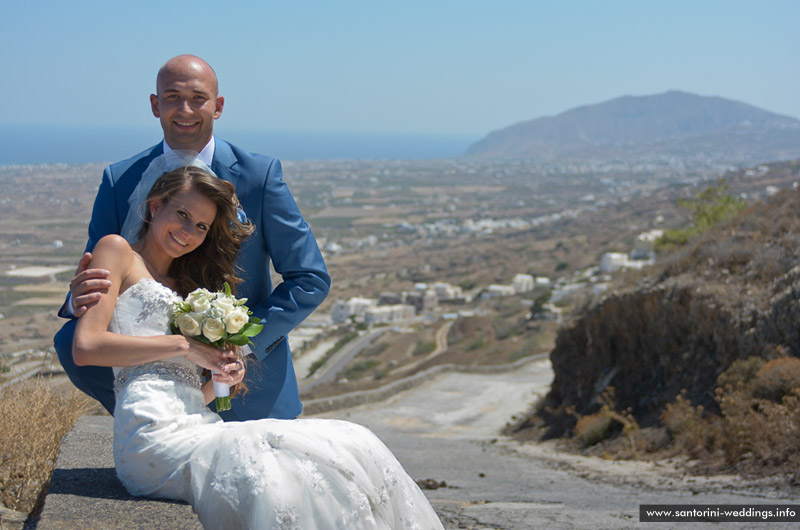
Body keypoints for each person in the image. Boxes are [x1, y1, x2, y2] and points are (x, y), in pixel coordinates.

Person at [71, 166, 443, 529]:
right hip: (148, 432)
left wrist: (222, 380)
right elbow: (86, 347)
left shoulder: (188, 289)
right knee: (271, 471)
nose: (188, 232)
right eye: (182, 214)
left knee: (351, 443)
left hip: (197, 421)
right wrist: (186, 345)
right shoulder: (117, 251)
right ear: (155, 206)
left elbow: (189, 392)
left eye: (200, 226)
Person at [54, 54, 330, 420]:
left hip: (247, 384)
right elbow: (99, 274)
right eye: (172, 97)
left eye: (198, 98)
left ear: (218, 107)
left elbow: (309, 279)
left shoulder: (259, 176)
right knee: (66, 338)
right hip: (156, 384)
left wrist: (241, 343)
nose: (185, 109)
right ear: (155, 105)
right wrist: (79, 301)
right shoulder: (119, 180)